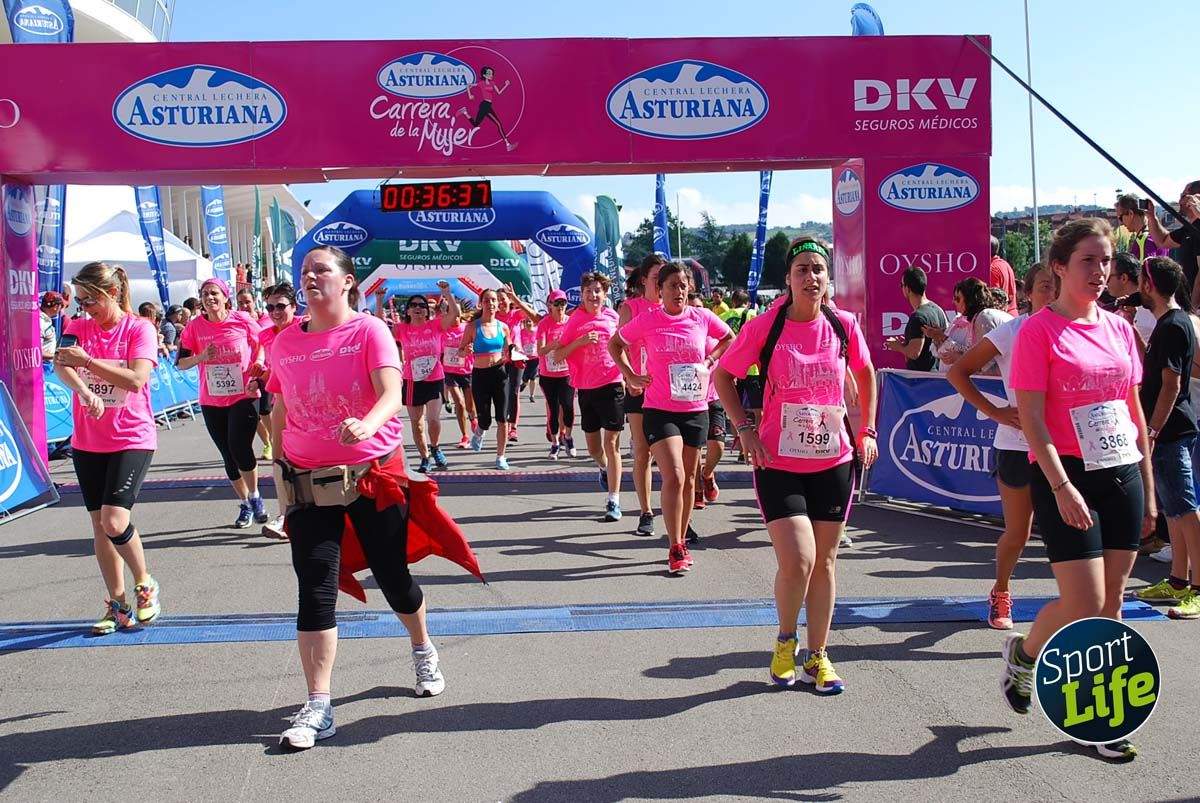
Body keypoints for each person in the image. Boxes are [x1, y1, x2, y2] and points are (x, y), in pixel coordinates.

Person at [267, 245, 483, 749]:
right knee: (315, 585)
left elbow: (391, 392)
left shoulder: (369, 330)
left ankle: (422, 646)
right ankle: (319, 704)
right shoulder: (284, 343)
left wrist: (365, 423)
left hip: (371, 475)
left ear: (347, 282)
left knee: (393, 577)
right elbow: (279, 412)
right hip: (307, 482)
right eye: (305, 271)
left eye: (321, 269)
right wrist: (279, 483)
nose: (310, 277)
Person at [1002, 218, 1153, 762]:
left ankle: (1032, 658)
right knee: (1086, 602)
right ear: (1059, 268)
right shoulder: (1038, 331)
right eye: (1088, 260)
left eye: (1106, 260)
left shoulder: (1119, 328)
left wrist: (1151, 490)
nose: (1100, 270)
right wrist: (1062, 486)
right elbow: (1032, 420)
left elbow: (1134, 411)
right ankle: (1082, 707)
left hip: (1123, 471)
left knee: (1107, 603)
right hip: (1064, 474)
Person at [714, 237, 878, 694]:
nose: (812, 277)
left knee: (825, 562)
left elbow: (865, 374)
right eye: (802, 269)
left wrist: (867, 430)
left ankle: (818, 657)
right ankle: (785, 641)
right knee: (799, 559)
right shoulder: (766, 328)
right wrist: (744, 429)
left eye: (819, 270)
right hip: (778, 460)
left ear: (829, 279)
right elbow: (723, 375)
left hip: (833, 460)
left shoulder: (844, 326)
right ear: (788, 278)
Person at [51, 262, 161, 635]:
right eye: (79, 300)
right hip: (88, 441)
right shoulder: (78, 327)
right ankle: (118, 606)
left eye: (90, 300)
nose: (85, 308)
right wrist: (83, 389)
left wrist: (90, 363)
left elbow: (136, 380)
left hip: (131, 437)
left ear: (111, 293)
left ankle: (145, 583)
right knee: (100, 526)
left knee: (115, 520)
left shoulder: (139, 328)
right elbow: (61, 364)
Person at [948, 263, 1057, 629]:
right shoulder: (1013, 332)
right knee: (1019, 532)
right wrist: (994, 410)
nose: (1052, 293)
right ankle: (1001, 591)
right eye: (1044, 286)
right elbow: (957, 372)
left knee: (1070, 529)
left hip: (1066, 448)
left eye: (1058, 285)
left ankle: (1077, 601)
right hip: (1017, 445)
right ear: (1026, 293)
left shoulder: (1077, 329)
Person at [610, 262, 733, 573]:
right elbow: (616, 344)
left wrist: (711, 358)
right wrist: (631, 375)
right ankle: (675, 546)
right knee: (675, 476)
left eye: (683, 286)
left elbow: (729, 337)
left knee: (690, 480)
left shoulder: (702, 316)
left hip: (695, 409)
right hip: (659, 409)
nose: (679, 291)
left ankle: (680, 534)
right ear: (659, 290)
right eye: (672, 286)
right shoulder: (649, 319)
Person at [1131, 257, 1200, 620]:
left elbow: (1171, 384)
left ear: (1149, 285)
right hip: (1170, 430)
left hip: (1172, 431)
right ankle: (1177, 580)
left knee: (1185, 509)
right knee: (1173, 509)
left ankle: (1197, 588)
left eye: (1140, 281)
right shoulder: (1169, 323)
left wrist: (1153, 430)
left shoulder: (1173, 324)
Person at [177, 278, 268, 528]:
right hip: (212, 400)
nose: (209, 298)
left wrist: (259, 368)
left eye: (214, 293)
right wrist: (203, 356)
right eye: (205, 294)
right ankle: (246, 503)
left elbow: (262, 344)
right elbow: (182, 363)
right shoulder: (194, 327)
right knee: (228, 456)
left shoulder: (242, 320)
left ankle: (257, 495)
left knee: (240, 447)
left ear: (225, 297)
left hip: (244, 394)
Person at [554, 273, 624, 519]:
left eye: (597, 291)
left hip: (613, 384)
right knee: (595, 449)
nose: (593, 296)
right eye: (588, 292)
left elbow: (628, 345)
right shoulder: (575, 320)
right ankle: (604, 468)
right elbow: (557, 355)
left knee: (611, 443)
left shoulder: (614, 318)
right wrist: (580, 341)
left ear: (604, 294)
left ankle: (613, 500)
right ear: (582, 295)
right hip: (586, 388)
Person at [618, 254, 669, 536]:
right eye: (656, 278)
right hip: (640, 389)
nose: (661, 284)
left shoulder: (674, 307)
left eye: (665, 278)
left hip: (670, 392)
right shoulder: (632, 308)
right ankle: (646, 512)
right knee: (642, 451)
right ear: (643, 280)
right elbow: (617, 346)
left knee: (674, 458)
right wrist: (630, 376)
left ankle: (680, 518)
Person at [388, 285, 457, 473]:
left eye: (422, 305)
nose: (418, 307)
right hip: (412, 382)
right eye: (414, 305)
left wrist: (447, 293)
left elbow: (454, 313)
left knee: (433, 420)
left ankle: (435, 447)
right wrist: (379, 301)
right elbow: (379, 324)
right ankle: (424, 457)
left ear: (427, 311)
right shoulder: (402, 329)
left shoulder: (435, 325)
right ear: (408, 310)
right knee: (417, 425)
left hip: (434, 379)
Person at [253, 282, 299, 540]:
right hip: (281, 404)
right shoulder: (266, 335)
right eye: (270, 307)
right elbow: (274, 370)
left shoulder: (306, 327)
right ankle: (285, 516)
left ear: (293, 306)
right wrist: (258, 378)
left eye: (281, 306)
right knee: (280, 462)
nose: (275, 312)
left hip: (310, 405)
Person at [457, 288, 515, 469]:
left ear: (498, 304)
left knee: (502, 418)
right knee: (485, 419)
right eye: (487, 300)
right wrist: (466, 351)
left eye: (494, 300)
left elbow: (510, 347)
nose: (491, 303)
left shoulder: (503, 327)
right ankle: (480, 431)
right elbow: (460, 351)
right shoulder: (472, 327)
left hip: (500, 374)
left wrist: (513, 353)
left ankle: (501, 457)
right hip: (480, 375)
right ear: (481, 304)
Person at [536, 289, 577, 460]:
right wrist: (555, 344)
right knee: (553, 409)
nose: (560, 307)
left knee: (567, 406)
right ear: (550, 306)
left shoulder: (571, 322)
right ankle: (554, 444)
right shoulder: (544, 324)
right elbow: (540, 351)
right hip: (548, 375)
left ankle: (567, 437)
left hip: (567, 373)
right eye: (556, 304)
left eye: (563, 304)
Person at [884, 267, 946, 371]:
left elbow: (914, 353)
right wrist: (908, 342)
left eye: (902, 285)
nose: (902, 288)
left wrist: (898, 346)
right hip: (936, 377)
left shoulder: (918, 316)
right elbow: (925, 345)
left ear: (907, 289)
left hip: (921, 381)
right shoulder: (937, 309)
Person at [1146, 183, 1200, 297]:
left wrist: (1193, 308)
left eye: (1182, 195)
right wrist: (1152, 217)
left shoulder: (1198, 229)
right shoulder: (1189, 229)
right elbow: (1162, 241)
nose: (1179, 200)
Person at [440, 295, 477, 450]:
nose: (455, 317)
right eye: (452, 313)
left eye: (457, 313)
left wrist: (471, 350)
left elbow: (477, 346)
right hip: (450, 372)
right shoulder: (443, 329)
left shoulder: (467, 328)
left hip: (467, 371)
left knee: (469, 406)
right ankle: (465, 436)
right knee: (459, 403)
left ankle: (473, 418)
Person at [457, 66, 517, 151]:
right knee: (498, 124)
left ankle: (465, 112)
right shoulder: (481, 83)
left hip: (488, 105)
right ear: (484, 75)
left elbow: (499, 92)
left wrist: (506, 85)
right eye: (489, 73)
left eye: (491, 73)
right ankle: (508, 145)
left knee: (475, 124)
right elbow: (468, 85)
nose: (491, 75)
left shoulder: (492, 83)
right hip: (485, 105)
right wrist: (469, 95)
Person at [1107, 251, 1158, 344]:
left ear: (1123, 278)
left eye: (1107, 277)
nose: (1105, 283)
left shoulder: (1151, 311)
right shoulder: (1120, 310)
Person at [1116, 194, 1171, 264]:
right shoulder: (1159, 236)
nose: (1121, 223)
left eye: (1120, 218)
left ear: (1130, 213)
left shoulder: (1143, 240)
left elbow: (1145, 272)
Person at [989, 236, 1019, 316]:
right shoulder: (1005, 264)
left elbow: (994, 301)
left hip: (1001, 318)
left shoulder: (992, 269)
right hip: (1012, 315)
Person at [40, 291, 64, 361]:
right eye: (61, 306)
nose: (61, 309)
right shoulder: (41, 322)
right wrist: (57, 356)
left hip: (47, 366)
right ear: (56, 307)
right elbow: (36, 351)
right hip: (43, 367)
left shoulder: (44, 320)